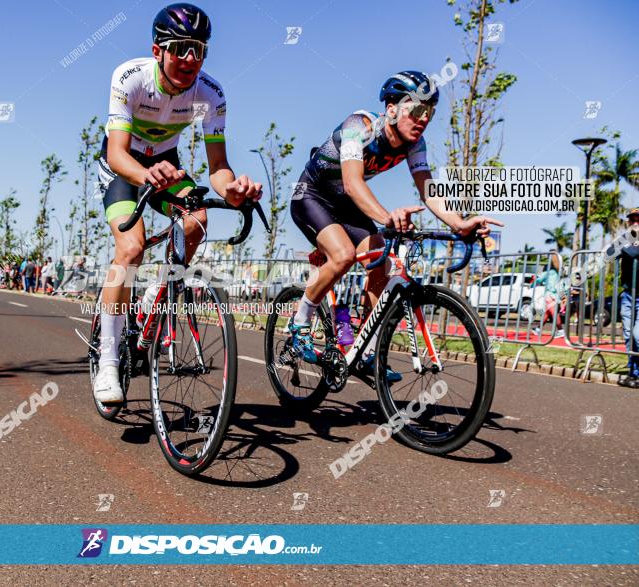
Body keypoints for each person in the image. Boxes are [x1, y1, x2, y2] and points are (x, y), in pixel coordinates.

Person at [92, 3, 263, 404]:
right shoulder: (130, 78)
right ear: (158, 51)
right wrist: (144, 173)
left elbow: (218, 167)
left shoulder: (210, 94)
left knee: (197, 219)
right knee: (131, 248)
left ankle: (156, 292)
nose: (191, 59)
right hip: (123, 165)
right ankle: (109, 361)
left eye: (199, 49)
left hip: (166, 164)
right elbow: (117, 153)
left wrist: (233, 190)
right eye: (181, 47)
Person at [288, 70, 502, 381]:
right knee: (344, 255)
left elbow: (428, 189)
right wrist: (388, 218)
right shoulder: (359, 126)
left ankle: (365, 350)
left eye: (429, 112)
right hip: (312, 195)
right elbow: (351, 182)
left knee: (381, 261)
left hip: (347, 206)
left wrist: (460, 224)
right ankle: (300, 320)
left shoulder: (415, 144)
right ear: (391, 109)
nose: (423, 118)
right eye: (416, 109)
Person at [618, 208, 639, 388]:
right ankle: (632, 373)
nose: (635, 222)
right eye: (632, 219)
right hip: (627, 294)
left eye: (638, 218)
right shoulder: (626, 239)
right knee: (627, 335)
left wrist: (625, 246)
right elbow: (608, 253)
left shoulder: (627, 242)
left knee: (637, 335)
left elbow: (632, 253)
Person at [532, 251, 564, 338]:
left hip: (550, 295)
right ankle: (538, 329)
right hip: (555, 294)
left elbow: (539, 279)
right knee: (547, 313)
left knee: (554, 314)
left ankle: (561, 330)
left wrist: (533, 282)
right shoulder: (557, 271)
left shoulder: (550, 271)